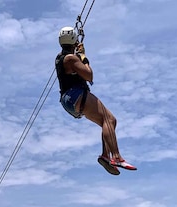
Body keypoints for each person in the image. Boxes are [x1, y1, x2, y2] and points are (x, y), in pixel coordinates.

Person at [55, 26, 137, 175]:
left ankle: (106, 156)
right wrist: (83, 56)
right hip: (76, 95)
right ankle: (116, 157)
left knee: (109, 122)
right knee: (108, 119)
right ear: (73, 40)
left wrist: (77, 50)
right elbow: (89, 75)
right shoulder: (71, 59)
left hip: (68, 99)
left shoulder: (60, 57)